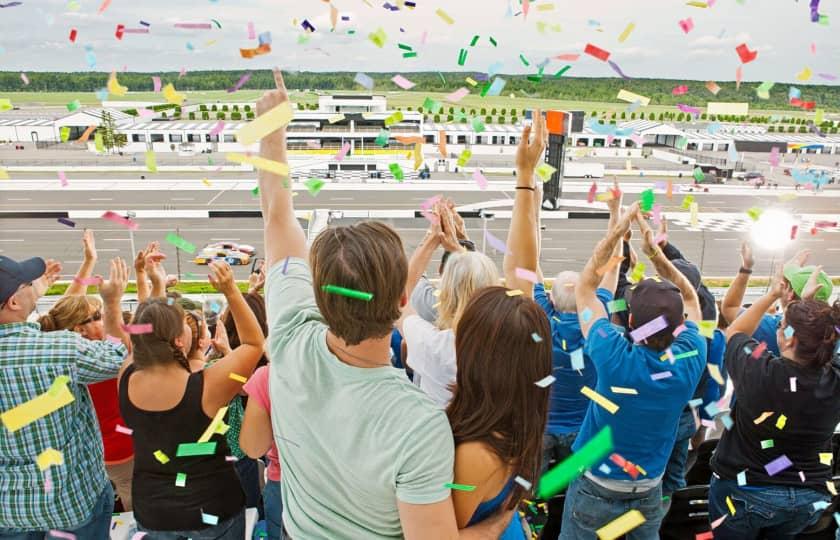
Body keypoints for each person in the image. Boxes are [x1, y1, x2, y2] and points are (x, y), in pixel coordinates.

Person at [257, 68, 510, 539]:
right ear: (401, 299)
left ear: (319, 295)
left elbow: (276, 214)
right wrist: (501, 520)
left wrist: (271, 133)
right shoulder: (419, 423)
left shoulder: (289, 336)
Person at [559, 205, 707, 539]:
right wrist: (657, 255)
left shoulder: (611, 353)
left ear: (629, 322)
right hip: (648, 489)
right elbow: (691, 298)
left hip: (596, 485)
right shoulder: (691, 358)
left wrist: (616, 233)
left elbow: (585, 288)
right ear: (681, 324)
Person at [444, 111, 551, 539]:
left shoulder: (475, 453)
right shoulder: (518, 396)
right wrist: (524, 178)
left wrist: (501, 521)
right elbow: (522, 270)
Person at [118, 261, 264, 539]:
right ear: (178, 342)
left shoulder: (126, 375)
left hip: (153, 511)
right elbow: (253, 344)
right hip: (213, 510)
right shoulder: (207, 386)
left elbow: (144, 334)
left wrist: (155, 288)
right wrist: (232, 291)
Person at [0, 256, 131, 539]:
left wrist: (32, 296)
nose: (33, 284)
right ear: (13, 302)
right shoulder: (60, 350)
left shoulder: (55, 346)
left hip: (7, 509)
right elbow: (121, 357)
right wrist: (112, 303)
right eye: (26, 283)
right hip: (71, 502)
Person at [708, 264, 840, 538]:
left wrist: (772, 296)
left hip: (745, 493)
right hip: (808, 499)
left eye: (781, 326)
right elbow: (824, 336)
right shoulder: (835, 379)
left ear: (789, 341)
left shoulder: (759, 372)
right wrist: (808, 311)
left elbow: (734, 331)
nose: (778, 328)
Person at [533, 179, 622, 474]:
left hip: (541, 429)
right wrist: (615, 214)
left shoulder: (543, 320)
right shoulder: (598, 324)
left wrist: (534, 203)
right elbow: (613, 266)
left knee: (533, 492)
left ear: (551, 301)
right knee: (575, 485)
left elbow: (530, 260)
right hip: (585, 431)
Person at [38, 295, 135, 511]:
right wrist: (113, 301)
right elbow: (121, 346)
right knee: (131, 497)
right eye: (98, 317)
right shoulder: (105, 364)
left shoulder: (56, 364)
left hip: (85, 453)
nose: (103, 322)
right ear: (80, 330)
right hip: (121, 448)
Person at [400, 201, 499, 406]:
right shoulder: (507, 337)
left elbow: (399, 298)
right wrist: (460, 242)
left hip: (437, 432)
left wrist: (432, 238)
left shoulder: (437, 344)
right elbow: (479, 285)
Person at [721, 244, 833, 355]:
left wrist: (746, 268)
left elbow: (729, 307)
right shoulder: (831, 335)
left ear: (790, 294)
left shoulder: (768, 327)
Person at [217, 292, 269, 522]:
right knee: (251, 507)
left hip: (229, 449)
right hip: (250, 447)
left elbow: (240, 386)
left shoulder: (219, 357)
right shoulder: (268, 355)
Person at [409, 198, 476, 324]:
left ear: (441, 269)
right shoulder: (485, 305)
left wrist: (432, 236)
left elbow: (412, 279)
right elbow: (479, 277)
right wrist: (461, 239)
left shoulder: (431, 304)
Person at [239, 364, 283, 540]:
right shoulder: (366, 366)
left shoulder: (270, 375)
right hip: (350, 485)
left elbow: (253, 448)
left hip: (283, 482)